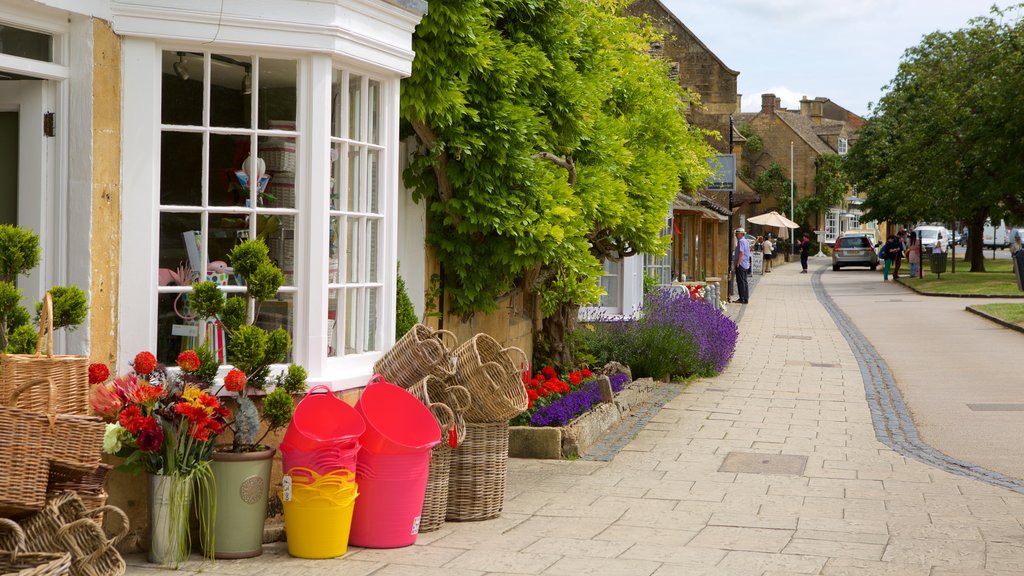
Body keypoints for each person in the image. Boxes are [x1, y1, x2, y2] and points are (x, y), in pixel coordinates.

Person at [733, 228, 751, 303]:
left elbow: (742, 253)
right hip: (745, 263)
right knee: (744, 281)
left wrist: (738, 263)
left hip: (741, 263)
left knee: (740, 281)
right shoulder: (746, 241)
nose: (736, 235)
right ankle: (745, 298)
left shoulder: (741, 241)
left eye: (737, 234)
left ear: (740, 234)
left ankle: (742, 298)